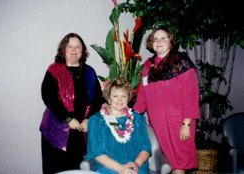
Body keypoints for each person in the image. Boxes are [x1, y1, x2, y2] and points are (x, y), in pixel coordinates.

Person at [133, 27, 200, 174]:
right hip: (158, 123)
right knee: (165, 160)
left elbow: (191, 96)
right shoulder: (147, 66)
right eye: (156, 39)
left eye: (164, 38)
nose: (159, 42)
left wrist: (186, 124)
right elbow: (142, 96)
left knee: (179, 162)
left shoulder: (182, 63)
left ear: (171, 41)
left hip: (179, 122)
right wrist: (132, 117)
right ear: (151, 43)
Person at [39, 33, 103, 174]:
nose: (74, 51)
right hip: (55, 132)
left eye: (78, 47)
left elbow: (98, 100)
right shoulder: (54, 69)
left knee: (77, 169)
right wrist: (68, 119)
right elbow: (48, 97)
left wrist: (89, 119)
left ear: (83, 51)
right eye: (70, 47)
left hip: (80, 131)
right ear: (63, 50)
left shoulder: (89, 71)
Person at [85, 78, 151, 174]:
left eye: (123, 96)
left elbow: (146, 147)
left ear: (128, 98)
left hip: (137, 168)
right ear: (108, 98)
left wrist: (136, 164)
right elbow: (96, 153)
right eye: (115, 96)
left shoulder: (138, 119)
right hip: (108, 168)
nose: (120, 100)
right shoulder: (96, 121)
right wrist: (120, 169)